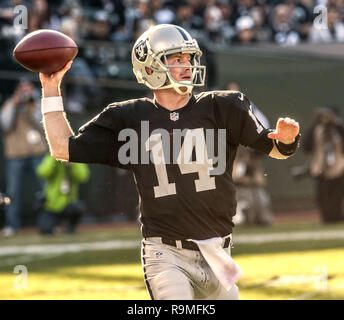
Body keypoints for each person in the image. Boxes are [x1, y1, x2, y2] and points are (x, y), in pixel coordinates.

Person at [38, 24, 300, 300]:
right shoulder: (128, 117)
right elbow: (62, 148)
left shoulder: (223, 107)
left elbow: (277, 150)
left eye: (189, 58)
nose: (187, 66)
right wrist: (51, 88)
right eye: (177, 59)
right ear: (150, 67)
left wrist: (286, 140)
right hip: (166, 254)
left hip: (219, 253)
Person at [0, 79, 47, 237]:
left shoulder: (37, 103)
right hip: (15, 156)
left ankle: (47, 224)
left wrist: (31, 105)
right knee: (13, 192)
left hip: (37, 154)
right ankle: (12, 225)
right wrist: (15, 103)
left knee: (44, 190)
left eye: (28, 90)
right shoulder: (9, 104)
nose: (25, 94)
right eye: (22, 90)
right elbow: (5, 124)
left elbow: (43, 123)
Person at [303, 106, 344, 223]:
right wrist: (314, 123)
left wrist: (337, 123)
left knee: (337, 198)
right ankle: (327, 218)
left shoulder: (338, 130)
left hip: (339, 169)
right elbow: (306, 146)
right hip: (321, 170)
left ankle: (336, 218)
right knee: (322, 198)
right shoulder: (317, 130)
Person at [36, 153, 90, 234]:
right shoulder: (51, 156)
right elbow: (42, 172)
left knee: (78, 208)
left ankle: (70, 226)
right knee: (45, 229)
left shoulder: (76, 156)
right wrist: (56, 158)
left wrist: (73, 164)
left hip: (69, 204)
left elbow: (83, 176)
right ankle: (58, 228)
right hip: (52, 205)